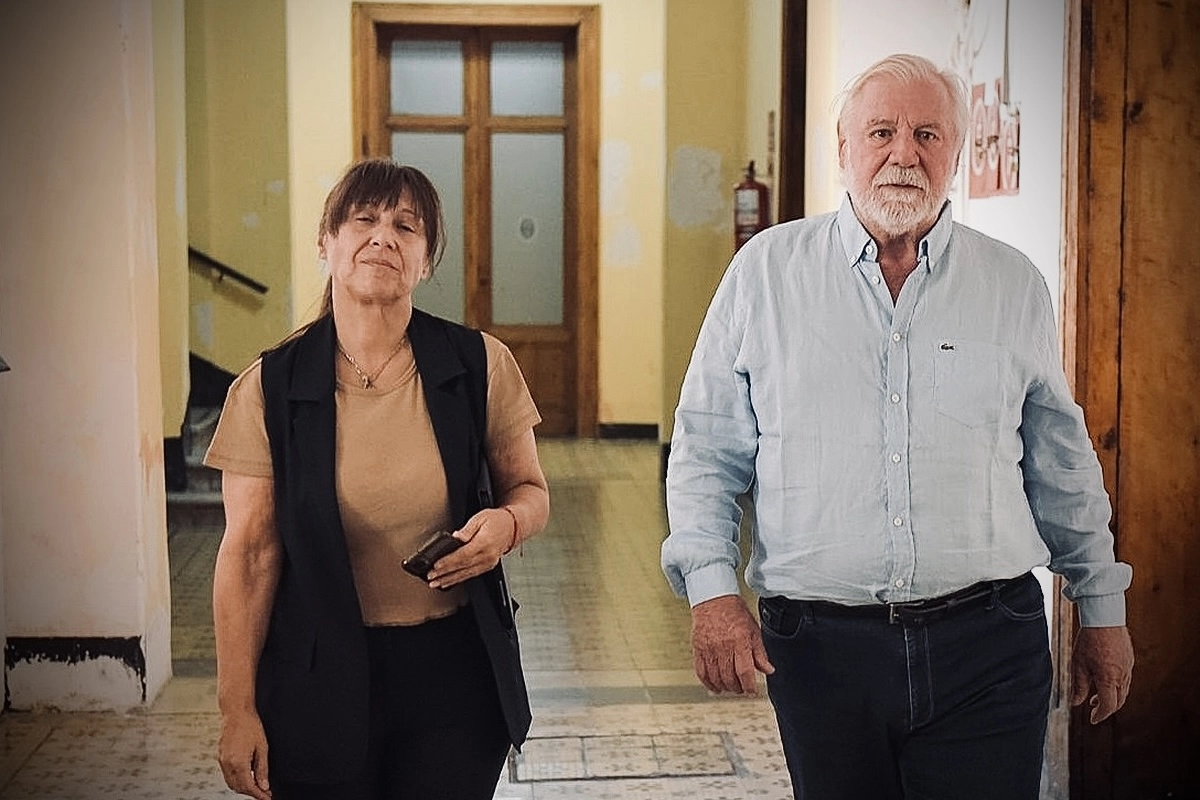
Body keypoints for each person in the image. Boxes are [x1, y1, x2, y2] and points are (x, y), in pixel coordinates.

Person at [661, 54, 1134, 799]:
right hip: (820, 652)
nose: (903, 153)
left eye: (927, 134)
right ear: (842, 149)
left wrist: (1102, 608)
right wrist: (713, 593)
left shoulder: (1013, 285)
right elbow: (706, 452)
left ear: (956, 154)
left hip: (991, 643)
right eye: (880, 132)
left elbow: (1061, 463)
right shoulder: (765, 274)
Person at [206, 158, 549, 800]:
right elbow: (249, 557)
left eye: (406, 226)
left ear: (426, 260)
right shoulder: (269, 388)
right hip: (315, 675)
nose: (383, 237)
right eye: (362, 220)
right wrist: (237, 709)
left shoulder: (479, 364)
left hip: (454, 673)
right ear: (326, 244)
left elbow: (530, 492)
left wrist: (505, 526)